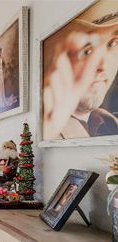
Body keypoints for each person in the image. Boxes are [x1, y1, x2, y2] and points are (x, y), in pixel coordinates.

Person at [43, 2, 118, 140]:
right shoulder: (46, 131)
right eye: (87, 50)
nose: (103, 65)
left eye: (112, 43)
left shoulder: (110, 124)